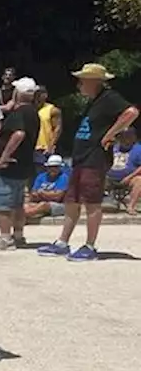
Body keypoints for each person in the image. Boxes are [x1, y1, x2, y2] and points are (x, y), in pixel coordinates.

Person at [37, 63, 139, 261]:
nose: (79, 84)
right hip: (81, 158)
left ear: (94, 82)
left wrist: (111, 134)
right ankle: (63, 242)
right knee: (72, 201)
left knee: (92, 203)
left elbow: (131, 112)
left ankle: (90, 246)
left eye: (82, 80)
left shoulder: (109, 97)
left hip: (95, 158)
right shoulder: (94, 101)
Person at [0, 77, 41, 251]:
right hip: (24, 164)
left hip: (11, 165)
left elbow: (18, 134)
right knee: (17, 203)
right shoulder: (33, 112)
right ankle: (18, 235)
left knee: (3, 203)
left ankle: (5, 238)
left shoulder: (19, 113)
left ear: (18, 93)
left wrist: (4, 156)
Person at [23, 155, 70, 222]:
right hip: (40, 202)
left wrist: (42, 193)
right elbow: (33, 194)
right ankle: (24, 216)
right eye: (50, 167)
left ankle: (23, 216)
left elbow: (58, 197)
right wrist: (47, 194)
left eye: (55, 167)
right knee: (26, 205)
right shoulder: (41, 176)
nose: (52, 169)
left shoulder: (64, 178)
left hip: (60, 205)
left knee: (43, 205)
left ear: (60, 167)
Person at [108, 128, 141, 214]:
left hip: (129, 179)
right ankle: (89, 205)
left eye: (128, 135)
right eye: (123, 135)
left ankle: (131, 207)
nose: (125, 138)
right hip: (109, 177)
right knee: (93, 175)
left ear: (134, 137)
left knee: (139, 181)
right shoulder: (114, 148)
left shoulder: (138, 149)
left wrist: (129, 177)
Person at [34, 86, 61, 165]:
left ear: (45, 95)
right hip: (29, 147)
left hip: (43, 148)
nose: (37, 96)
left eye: (40, 94)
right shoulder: (29, 108)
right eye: (35, 94)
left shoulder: (52, 110)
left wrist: (51, 145)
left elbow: (58, 128)